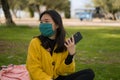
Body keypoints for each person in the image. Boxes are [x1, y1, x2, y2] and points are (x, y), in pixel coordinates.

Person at [26, 10, 95, 80]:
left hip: (58, 78)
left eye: (46, 21)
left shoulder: (64, 43)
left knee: (89, 73)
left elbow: (62, 71)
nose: (43, 24)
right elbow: (33, 69)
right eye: (41, 22)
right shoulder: (35, 42)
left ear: (57, 25)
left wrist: (70, 55)